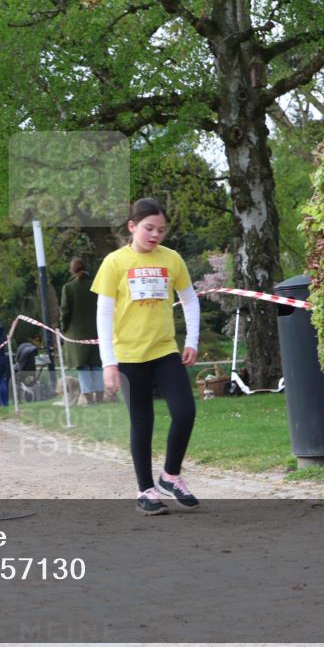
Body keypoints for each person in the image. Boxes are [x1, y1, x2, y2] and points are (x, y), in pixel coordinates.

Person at [92, 198, 201, 515]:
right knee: (142, 422)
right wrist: (109, 363)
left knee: (184, 412)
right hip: (128, 356)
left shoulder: (172, 259)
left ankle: (170, 475)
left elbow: (190, 300)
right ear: (132, 227)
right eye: (149, 228)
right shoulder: (114, 262)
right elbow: (103, 315)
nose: (155, 235)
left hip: (165, 351)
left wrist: (191, 340)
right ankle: (146, 490)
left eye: (161, 230)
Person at [62, 257, 105, 405]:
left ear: (71, 270)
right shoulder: (96, 284)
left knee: (83, 366)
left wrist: (63, 329)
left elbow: (65, 312)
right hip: (97, 331)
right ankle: (100, 395)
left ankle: (88, 398)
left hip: (77, 334)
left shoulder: (68, 288)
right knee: (97, 364)